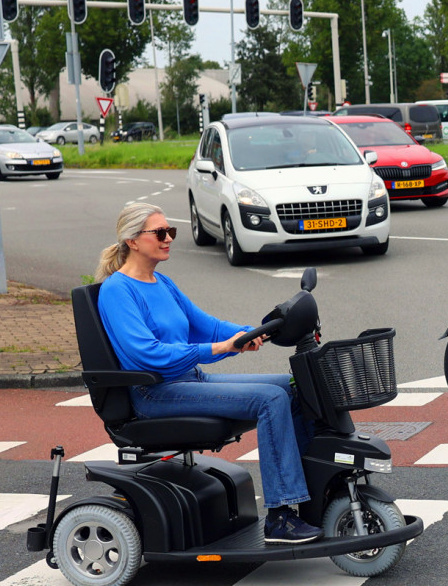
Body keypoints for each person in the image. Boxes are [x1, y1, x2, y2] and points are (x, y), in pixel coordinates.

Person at [93, 202, 323, 545]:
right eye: (160, 233)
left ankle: (312, 496)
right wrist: (219, 348)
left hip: (189, 381)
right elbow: (147, 354)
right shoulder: (118, 290)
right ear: (133, 241)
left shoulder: (162, 282)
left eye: (171, 231)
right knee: (271, 398)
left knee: (292, 386)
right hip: (155, 394)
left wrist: (252, 332)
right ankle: (280, 515)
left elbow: (207, 326)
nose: (168, 238)